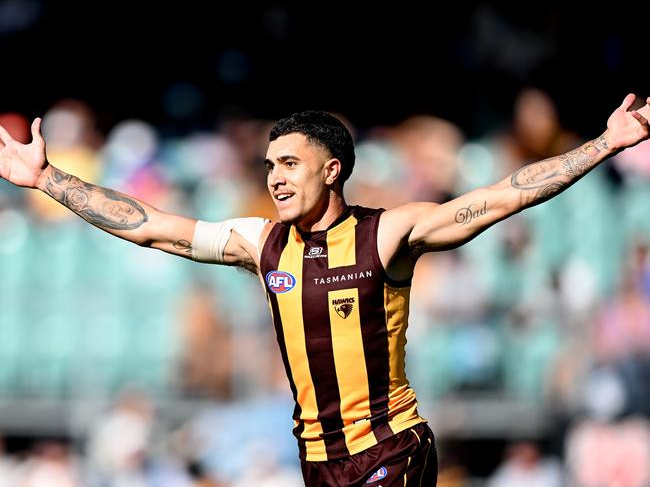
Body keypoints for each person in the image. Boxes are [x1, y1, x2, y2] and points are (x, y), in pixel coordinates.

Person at [1, 94, 649, 486]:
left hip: (389, 450)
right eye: (269, 166)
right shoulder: (263, 244)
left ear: (333, 169)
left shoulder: (391, 234)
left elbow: (501, 197)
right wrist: (48, 179)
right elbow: (153, 229)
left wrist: (604, 144)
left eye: (289, 164)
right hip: (317, 458)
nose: (275, 178)